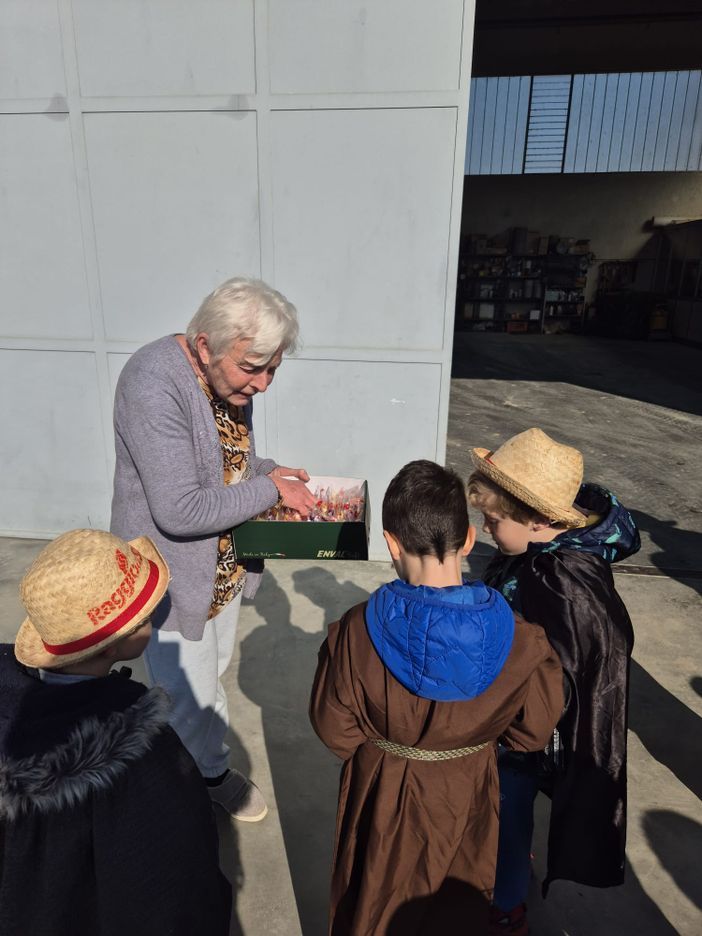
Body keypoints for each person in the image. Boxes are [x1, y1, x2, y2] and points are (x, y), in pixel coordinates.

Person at [309, 460, 564, 936]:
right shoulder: (526, 641)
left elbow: (335, 730)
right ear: (468, 540)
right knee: (455, 907)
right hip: (467, 797)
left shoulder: (353, 632)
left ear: (391, 543)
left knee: (377, 901)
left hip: (384, 795)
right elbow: (532, 732)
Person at [111, 277, 315, 821]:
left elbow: (224, 462)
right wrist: (271, 490)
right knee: (188, 697)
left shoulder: (224, 379)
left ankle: (201, 770)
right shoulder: (154, 382)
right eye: (253, 367)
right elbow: (180, 509)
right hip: (173, 580)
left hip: (218, 573)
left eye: (273, 368)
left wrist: (270, 471)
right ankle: (192, 792)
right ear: (205, 345)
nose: (264, 383)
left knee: (207, 681)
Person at [0, 529, 231, 936]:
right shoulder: (142, 750)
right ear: (110, 647)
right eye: (144, 618)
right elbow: (180, 878)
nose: (153, 616)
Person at [467, 428, 639, 936]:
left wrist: (511, 711)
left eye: (493, 520)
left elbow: (580, 663)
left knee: (507, 806)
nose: (486, 528)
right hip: (522, 716)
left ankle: (505, 903)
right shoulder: (538, 556)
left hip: (528, 732)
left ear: (539, 519)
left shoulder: (561, 578)